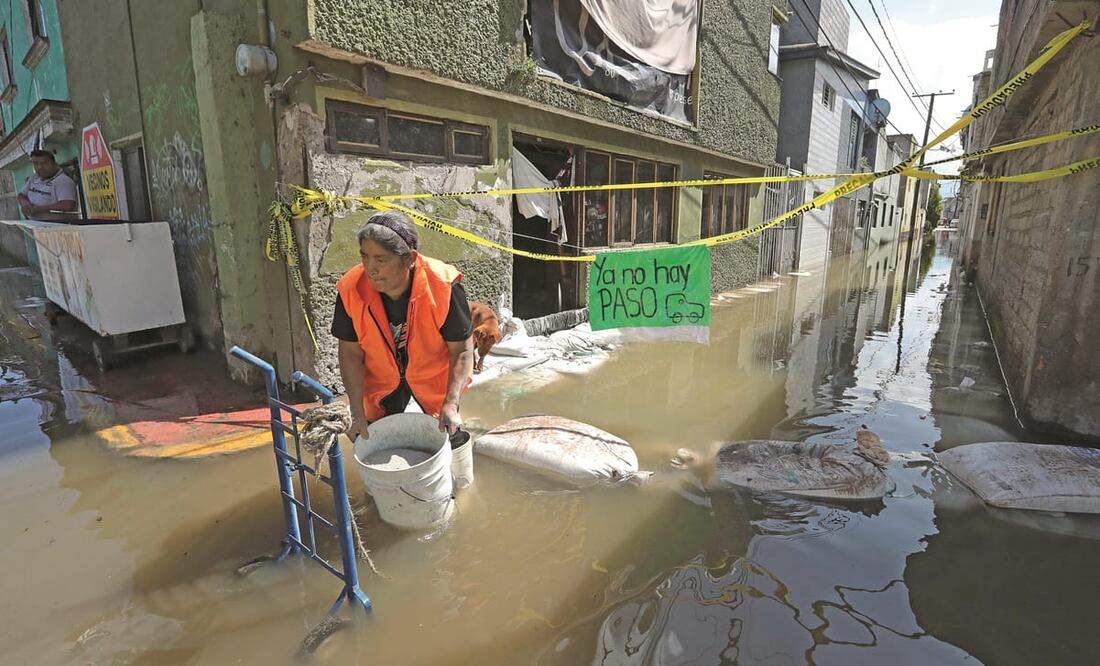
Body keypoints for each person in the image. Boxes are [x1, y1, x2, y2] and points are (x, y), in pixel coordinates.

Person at [331, 211, 474, 441]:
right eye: (364, 257)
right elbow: (350, 353)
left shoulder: (443, 285)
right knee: (376, 439)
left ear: (409, 259)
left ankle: (460, 473)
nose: (370, 268)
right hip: (380, 380)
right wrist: (356, 413)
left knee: (449, 434)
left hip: (432, 377)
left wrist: (451, 402)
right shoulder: (351, 288)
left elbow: (462, 350)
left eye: (380, 259)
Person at [19, 150, 79, 220]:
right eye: (35, 163)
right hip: (37, 226)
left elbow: (67, 205)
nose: (40, 167)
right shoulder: (34, 178)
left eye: (44, 163)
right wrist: (25, 204)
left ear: (54, 164)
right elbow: (21, 195)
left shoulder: (63, 181)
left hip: (59, 227)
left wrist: (38, 209)